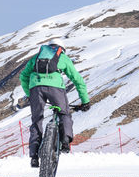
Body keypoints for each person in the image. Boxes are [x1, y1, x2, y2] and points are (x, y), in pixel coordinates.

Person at [19, 38, 90, 167]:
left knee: (37, 121)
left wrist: (30, 94)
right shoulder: (62, 57)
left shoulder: (36, 57)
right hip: (55, 89)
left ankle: (34, 155)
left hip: (36, 88)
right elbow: (77, 79)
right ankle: (64, 141)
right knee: (64, 114)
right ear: (61, 49)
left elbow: (23, 76)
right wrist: (85, 101)